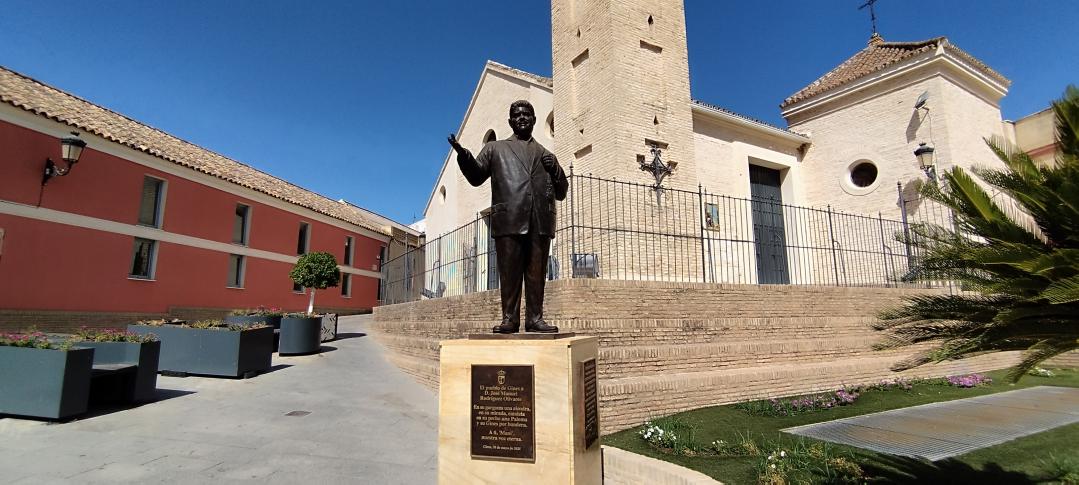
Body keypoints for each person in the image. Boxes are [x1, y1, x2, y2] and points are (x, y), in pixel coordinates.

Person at [448, 100, 568, 333]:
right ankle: (509, 319)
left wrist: (555, 168)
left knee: (536, 275)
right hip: (509, 220)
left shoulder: (547, 155)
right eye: (517, 115)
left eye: (527, 114)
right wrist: (463, 155)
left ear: (534, 120)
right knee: (510, 273)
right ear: (510, 122)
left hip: (540, 222)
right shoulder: (495, 148)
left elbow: (562, 192)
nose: (522, 117)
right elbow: (476, 176)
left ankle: (535, 319)